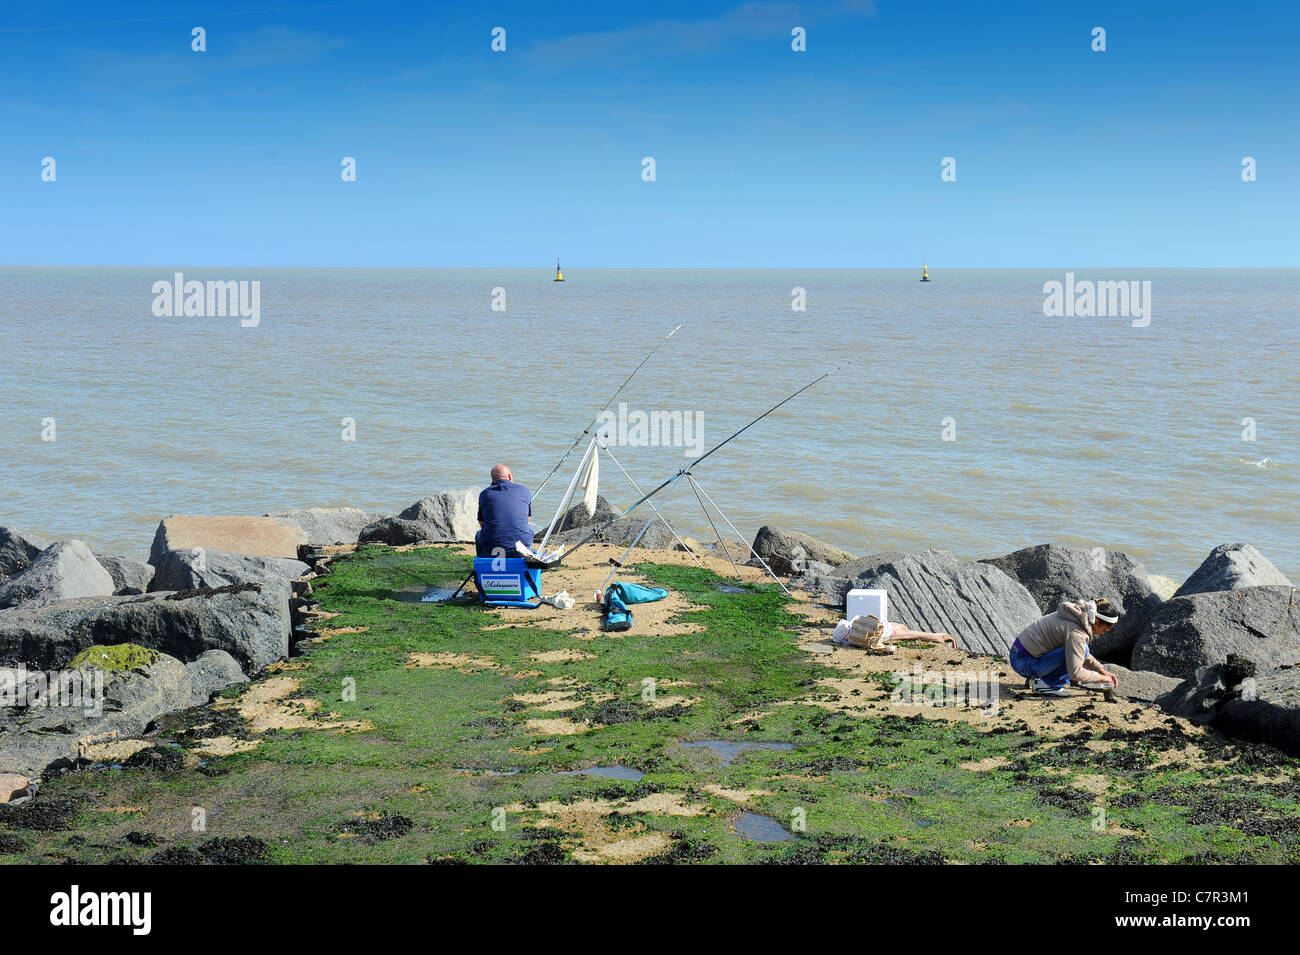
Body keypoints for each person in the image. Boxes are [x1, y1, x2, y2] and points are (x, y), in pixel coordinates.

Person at [1009, 598, 1121, 697]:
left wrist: (1101, 670)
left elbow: (1078, 651)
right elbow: (1075, 673)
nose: (1102, 633)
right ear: (1096, 621)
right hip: (1024, 662)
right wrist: (1101, 678)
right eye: (1104, 630)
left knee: (1081, 650)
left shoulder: (1076, 615)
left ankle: (1039, 678)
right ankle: (1048, 685)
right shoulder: (1077, 633)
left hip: (1019, 654)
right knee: (1081, 651)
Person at [476, 464, 534, 558]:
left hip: (494, 548)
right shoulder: (524, 490)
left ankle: (484, 561)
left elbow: (482, 523)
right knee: (529, 530)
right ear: (510, 476)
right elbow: (527, 521)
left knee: (479, 535)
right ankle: (522, 558)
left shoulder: (485, 494)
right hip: (520, 546)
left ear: (492, 480)